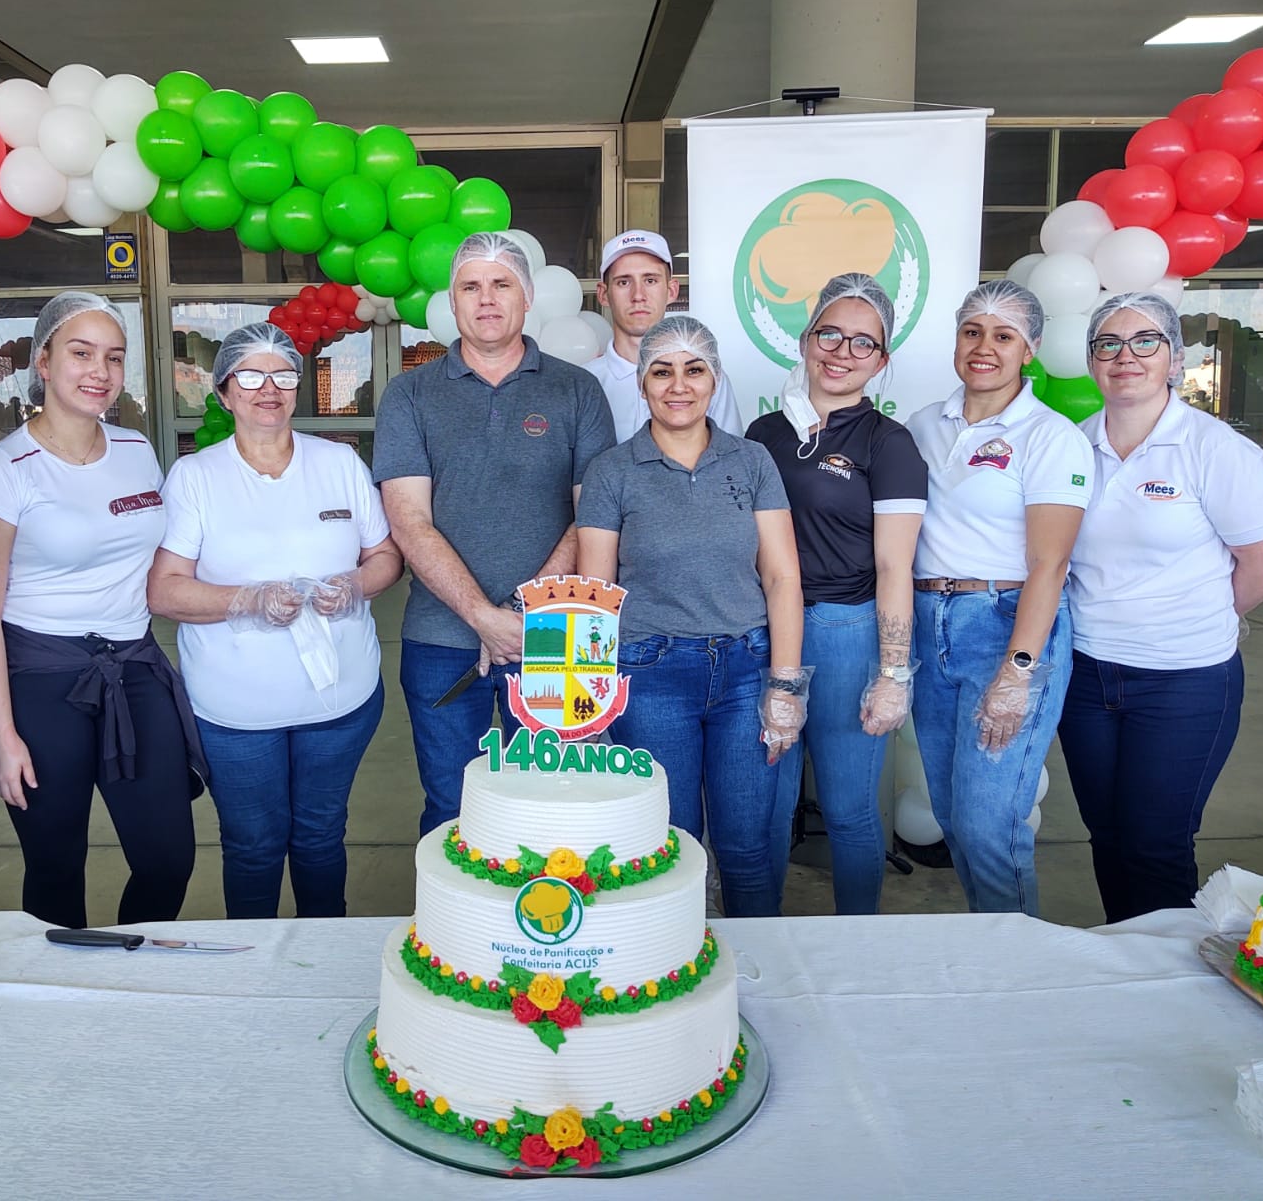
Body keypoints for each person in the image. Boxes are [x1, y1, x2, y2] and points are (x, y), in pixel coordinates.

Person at [148, 322, 401, 918]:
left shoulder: (339, 463)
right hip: (236, 713)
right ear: (224, 392)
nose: (270, 388)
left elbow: (385, 555)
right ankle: (254, 976)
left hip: (340, 703)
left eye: (283, 374)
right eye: (251, 375)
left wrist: (357, 584)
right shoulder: (196, 477)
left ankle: (322, 965)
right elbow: (164, 591)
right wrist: (246, 600)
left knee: (319, 837)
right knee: (254, 847)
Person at [0, 292, 201, 929]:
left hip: (135, 668)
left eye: (114, 357)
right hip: (41, 680)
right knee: (55, 864)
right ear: (43, 361)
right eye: (81, 353)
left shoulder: (135, 450)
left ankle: (133, 972)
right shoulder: (5, 467)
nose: (100, 370)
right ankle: (62, 1001)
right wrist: (2, 736)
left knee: (168, 859)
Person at [1059, 293, 1263, 923]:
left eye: (1145, 342)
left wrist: (1207, 616)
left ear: (1174, 359)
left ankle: (1168, 988)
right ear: (1090, 360)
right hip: (1085, 675)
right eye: (1107, 343)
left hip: (1184, 681)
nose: (1125, 356)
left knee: (1155, 845)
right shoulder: (1071, 447)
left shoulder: (1213, 450)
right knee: (1106, 838)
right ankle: (1128, 962)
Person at [375, 232, 615, 835]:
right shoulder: (410, 394)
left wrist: (520, 613)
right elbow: (409, 521)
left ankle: (549, 927)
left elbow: (593, 517)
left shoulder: (577, 389)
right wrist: (483, 617)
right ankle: (460, 932)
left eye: (501, 284)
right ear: (452, 304)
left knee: (555, 807)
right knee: (453, 811)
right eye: (470, 287)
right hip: (440, 640)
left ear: (527, 296)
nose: (486, 299)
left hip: (558, 636)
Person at [577, 316, 808, 917]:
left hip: (744, 672)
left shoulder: (752, 461)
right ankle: (673, 981)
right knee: (667, 848)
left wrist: (785, 685)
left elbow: (782, 577)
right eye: (662, 371)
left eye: (694, 369)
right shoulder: (612, 470)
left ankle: (756, 981)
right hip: (650, 675)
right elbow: (597, 591)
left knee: (747, 845)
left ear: (714, 378)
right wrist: (590, 702)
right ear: (642, 382)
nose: (678, 385)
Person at [906, 280, 1094, 917]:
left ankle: (1021, 975)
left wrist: (1017, 672)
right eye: (972, 331)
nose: (984, 347)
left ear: (1030, 350)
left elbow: (1051, 563)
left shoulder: (1049, 435)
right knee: (954, 815)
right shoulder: (924, 424)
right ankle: (991, 948)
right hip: (930, 629)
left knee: (991, 826)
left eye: (1003, 335)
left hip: (1006, 628)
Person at [747, 273, 928, 914]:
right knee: (765, 808)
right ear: (805, 339)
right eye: (830, 333)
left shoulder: (888, 443)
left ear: (881, 361)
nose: (842, 352)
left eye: (862, 343)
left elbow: (895, 567)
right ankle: (757, 941)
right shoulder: (763, 433)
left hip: (844, 632)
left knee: (850, 811)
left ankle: (858, 944)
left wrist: (893, 673)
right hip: (762, 633)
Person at [584, 229, 744, 443]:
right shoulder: (584, 382)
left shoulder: (707, 377)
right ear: (604, 294)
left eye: (650, 280)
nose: (638, 295)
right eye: (624, 282)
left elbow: (730, 461)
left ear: (672, 290)